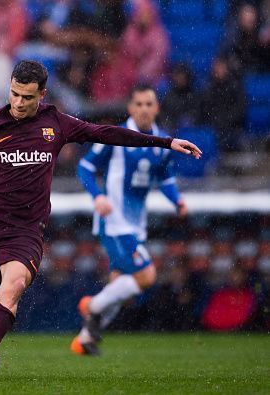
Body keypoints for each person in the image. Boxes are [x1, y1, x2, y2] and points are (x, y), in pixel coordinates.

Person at [0, 61, 201, 380]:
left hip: (26, 229)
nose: (19, 103)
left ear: (42, 94)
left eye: (27, 97)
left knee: (12, 288)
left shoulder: (56, 123)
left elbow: (104, 133)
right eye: (14, 94)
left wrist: (165, 142)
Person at [71, 84, 189, 356]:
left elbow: (165, 178)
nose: (144, 109)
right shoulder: (116, 137)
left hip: (136, 223)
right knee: (146, 275)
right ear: (130, 108)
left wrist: (177, 201)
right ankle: (92, 306)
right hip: (114, 221)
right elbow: (85, 167)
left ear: (157, 108)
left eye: (149, 104)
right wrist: (97, 196)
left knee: (120, 285)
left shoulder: (162, 144)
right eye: (139, 104)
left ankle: (85, 339)